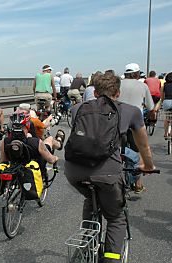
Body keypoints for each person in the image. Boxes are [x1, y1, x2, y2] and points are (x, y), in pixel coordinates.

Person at [65, 72, 155, 262]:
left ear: (95, 92)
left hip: (74, 172)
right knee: (115, 217)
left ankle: (87, 242)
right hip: (107, 174)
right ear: (118, 93)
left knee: (91, 197)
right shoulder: (131, 111)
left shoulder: (77, 109)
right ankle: (111, 259)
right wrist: (147, 165)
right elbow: (143, 146)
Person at [118, 63, 154, 193]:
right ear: (136, 74)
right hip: (134, 124)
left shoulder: (118, 84)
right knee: (137, 153)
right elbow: (150, 107)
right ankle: (138, 184)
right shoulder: (143, 86)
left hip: (119, 123)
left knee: (116, 150)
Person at [159, 72, 172, 137]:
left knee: (166, 118)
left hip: (167, 102)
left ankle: (165, 133)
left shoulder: (164, 85)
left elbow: (161, 97)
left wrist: (162, 103)